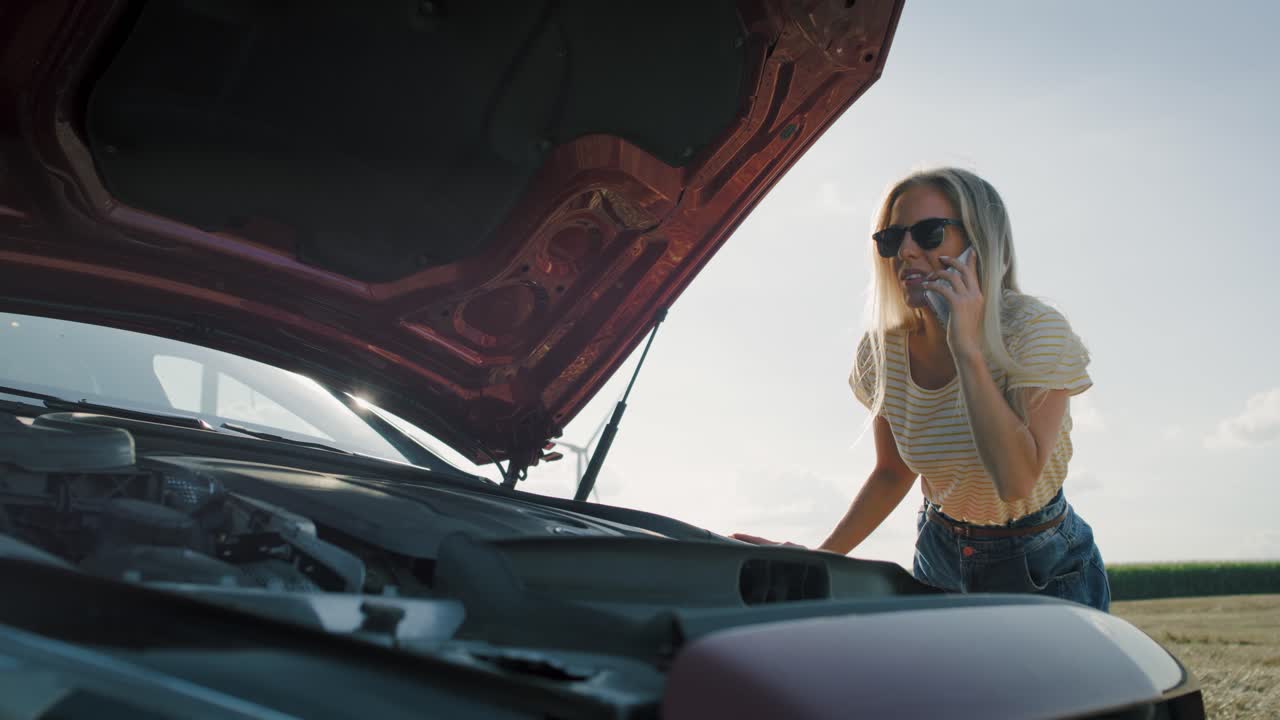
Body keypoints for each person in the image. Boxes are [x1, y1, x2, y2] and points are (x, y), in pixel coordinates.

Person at [734, 167, 1110, 612]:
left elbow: (1015, 481)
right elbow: (893, 472)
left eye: (929, 233)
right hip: (940, 551)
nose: (906, 252)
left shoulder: (1035, 330)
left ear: (980, 243)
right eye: (892, 239)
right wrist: (820, 559)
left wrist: (966, 349)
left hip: (1042, 560)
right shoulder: (881, 351)